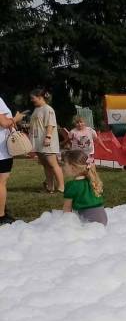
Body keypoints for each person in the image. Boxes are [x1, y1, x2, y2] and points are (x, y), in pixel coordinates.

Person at [29, 88, 63, 193]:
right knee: (46, 166)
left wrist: (48, 137)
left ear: (40, 97)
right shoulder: (36, 109)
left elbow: (50, 124)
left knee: (53, 164)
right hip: (38, 143)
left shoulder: (48, 109)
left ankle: (61, 187)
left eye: (33, 98)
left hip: (47, 143)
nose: (31, 100)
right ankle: (50, 187)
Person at [61, 149, 107, 225]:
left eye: (64, 164)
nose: (63, 167)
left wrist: (65, 224)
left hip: (89, 222)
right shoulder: (92, 182)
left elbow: (67, 209)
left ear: (73, 167)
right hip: (103, 220)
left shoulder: (72, 185)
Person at [0, 96, 25, 225]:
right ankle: (1, 216)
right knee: (1, 182)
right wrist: (16, 118)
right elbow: (4, 123)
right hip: (1, 152)